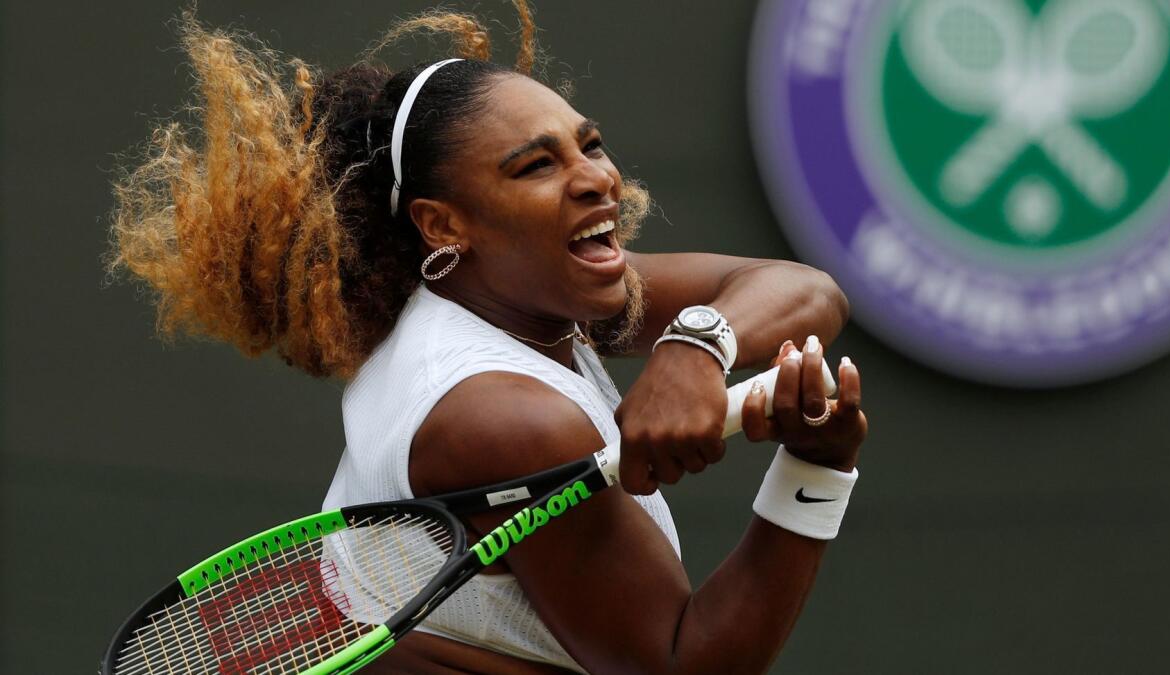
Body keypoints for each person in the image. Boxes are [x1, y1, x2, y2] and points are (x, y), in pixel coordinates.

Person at [108, 3, 869, 673]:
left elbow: (810, 290)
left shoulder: (514, 291)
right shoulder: (504, 418)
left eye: (589, 144)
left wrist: (696, 345)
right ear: (443, 224)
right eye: (536, 165)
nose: (595, 178)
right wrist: (817, 470)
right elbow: (680, 660)